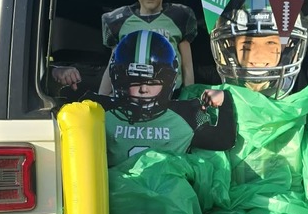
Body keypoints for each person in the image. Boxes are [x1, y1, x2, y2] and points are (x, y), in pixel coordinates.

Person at [99, 29, 235, 167]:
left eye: (152, 82)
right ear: (120, 79)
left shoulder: (186, 115)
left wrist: (225, 101)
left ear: (168, 81)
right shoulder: (99, 112)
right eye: (135, 81)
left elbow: (223, 140)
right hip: (118, 187)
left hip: (164, 187)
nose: (143, 89)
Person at [52, 0, 198, 94]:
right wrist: (102, 97)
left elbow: (187, 65)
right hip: (130, 92)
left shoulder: (179, 17)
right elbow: (113, 63)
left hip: (171, 94)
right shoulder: (119, 21)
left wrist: (189, 98)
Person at [209, 0, 308, 98]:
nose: (259, 55)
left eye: (271, 42)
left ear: (287, 48)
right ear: (230, 46)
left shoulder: (307, 107)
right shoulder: (207, 104)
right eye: (247, 42)